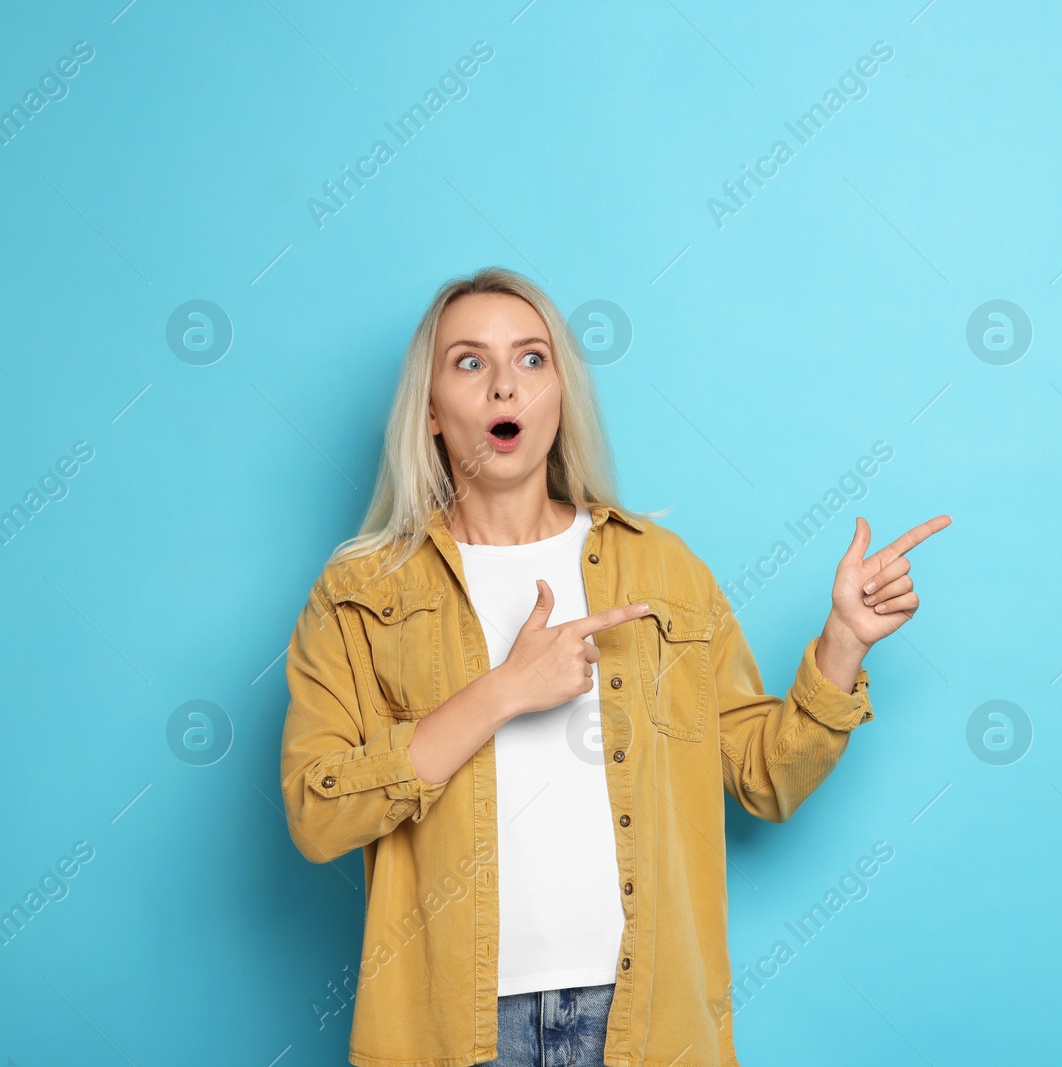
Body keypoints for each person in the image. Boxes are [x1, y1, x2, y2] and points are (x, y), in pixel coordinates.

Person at [279, 266, 949, 1067]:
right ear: (428, 408)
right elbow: (318, 815)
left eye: (532, 359)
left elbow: (765, 777)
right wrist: (503, 691)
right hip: (453, 1032)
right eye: (469, 362)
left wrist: (844, 642)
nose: (504, 388)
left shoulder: (662, 572)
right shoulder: (359, 593)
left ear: (560, 394)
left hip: (642, 1022)